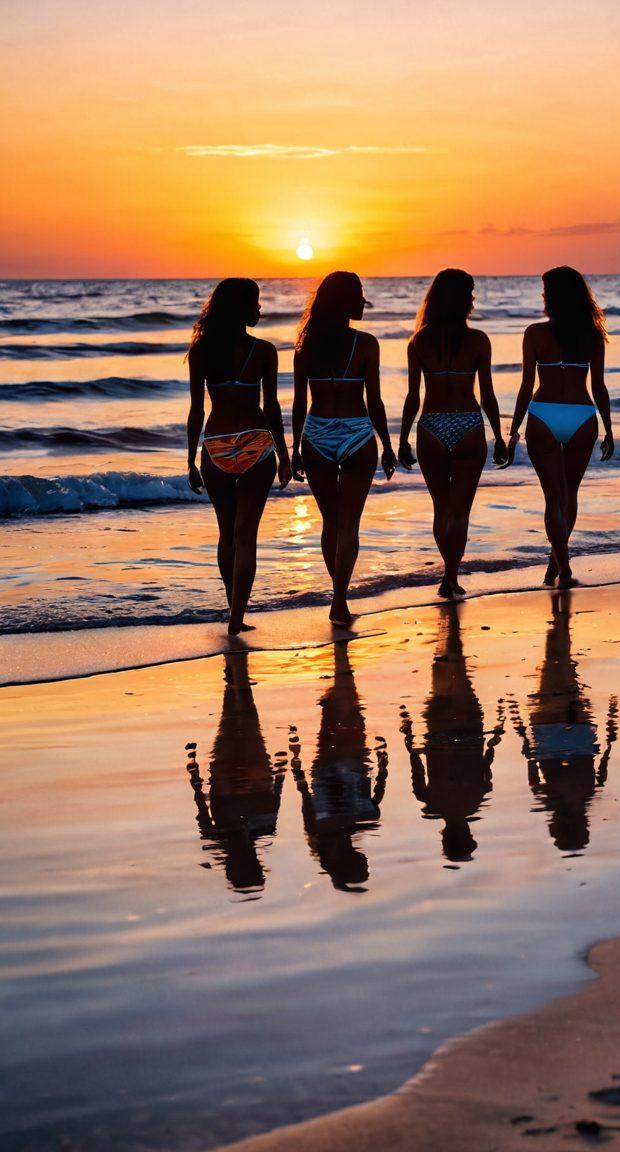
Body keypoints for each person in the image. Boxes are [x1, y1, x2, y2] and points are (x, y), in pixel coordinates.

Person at [187, 278, 291, 635]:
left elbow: (197, 410)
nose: (260, 310)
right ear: (240, 308)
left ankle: (233, 607)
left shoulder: (202, 352)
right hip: (256, 445)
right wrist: (285, 454)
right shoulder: (264, 351)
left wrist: (190, 458)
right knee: (246, 536)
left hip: (215, 445)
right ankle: (235, 619)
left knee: (226, 536)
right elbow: (272, 408)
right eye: (255, 304)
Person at [292, 272, 396, 626]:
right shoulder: (366, 344)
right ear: (346, 303)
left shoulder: (307, 349)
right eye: (359, 297)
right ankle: (339, 600)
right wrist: (386, 443)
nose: (363, 304)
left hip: (316, 434)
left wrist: (294, 448)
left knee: (330, 523)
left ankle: (338, 596)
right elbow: (375, 401)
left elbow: (297, 404)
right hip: (356, 434)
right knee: (349, 525)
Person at [398, 270, 507, 598]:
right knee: (460, 510)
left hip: (431, 426)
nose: (473, 300)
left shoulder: (419, 341)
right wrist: (499, 436)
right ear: (461, 300)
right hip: (467, 426)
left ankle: (448, 573)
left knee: (441, 509)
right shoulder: (477, 341)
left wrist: (402, 438)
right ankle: (450, 575)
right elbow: (487, 394)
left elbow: (413, 397)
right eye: (469, 295)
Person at [504, 267, 614, 588]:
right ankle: (557, 564)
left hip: (544, 416)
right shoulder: (592, 335)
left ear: (552, 297)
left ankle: (562, 567)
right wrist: (608, 429)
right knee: (570, 494)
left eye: (545, 292)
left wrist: (513, 432)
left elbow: (526, 386)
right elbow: (600, 387)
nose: (542, 297)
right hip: (582, 416)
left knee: (553, 498)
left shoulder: (535, 333)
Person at [509, 594, 617, 852]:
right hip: (547, 736)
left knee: (565, 674)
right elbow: (533, 771)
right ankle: (558, 626)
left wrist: (610, 730)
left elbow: (601, 763)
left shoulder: (588, 796)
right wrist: (525, 738)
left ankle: (560, 625)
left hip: (580, 735)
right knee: (551, 674)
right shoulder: (549, 799)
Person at [399, 605, 504, 862]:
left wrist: (493, 739)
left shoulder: (476, 800)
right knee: (441, 675)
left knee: (460, 675)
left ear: (468, 833)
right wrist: (409, 737)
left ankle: (451, 627)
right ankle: (449, 627)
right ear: (445, 837)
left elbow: (486, 764)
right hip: (438, 733)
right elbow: (416, 763)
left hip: (469, 734)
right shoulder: (429, 803)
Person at [185, 653, 285, 894]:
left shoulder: (217, 837)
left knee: (231, 720)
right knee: (243, 717)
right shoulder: (263, 830)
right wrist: (281, 770)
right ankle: (237, 669)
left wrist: (196, 777)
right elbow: (276, 796)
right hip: (249, 780)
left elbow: (201, 805)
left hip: (228, 784)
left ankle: (236, 670)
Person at [293, 640, 388, 892]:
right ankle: (340, 659)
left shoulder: (339, 825)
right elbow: (376, 792)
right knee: (348, 710)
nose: (366, 861)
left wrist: (298, 769)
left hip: (336, 762)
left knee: (344, 708)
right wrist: (382, 764)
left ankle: (340, 655)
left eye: (362, 864)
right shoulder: (361, 820)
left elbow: (306, 798)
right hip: (347, 761)